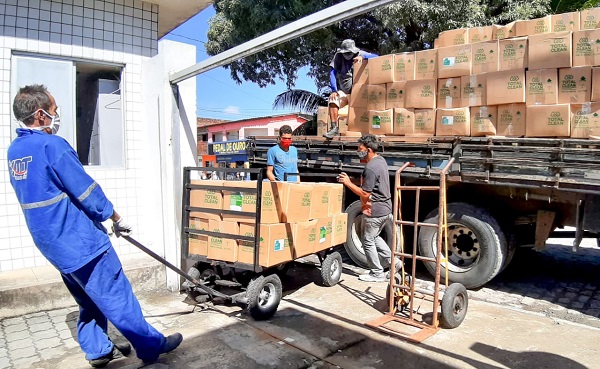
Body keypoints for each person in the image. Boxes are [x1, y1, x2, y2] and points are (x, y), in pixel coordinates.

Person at [7, 85, 182, 367]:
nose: (56, 114)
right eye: (53, 110)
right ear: (40, 115)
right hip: (80, 241)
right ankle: (151, 347)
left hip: (52, 243)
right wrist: (115, 217)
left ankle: (98, 350)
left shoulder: (16, 151)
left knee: (87, 298)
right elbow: (85, 190)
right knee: (117, 296)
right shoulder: (52, 145)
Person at [337, 134, 401, 282]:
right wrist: (351, 180)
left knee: (367, 240)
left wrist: (347, 183)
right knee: (374, 237)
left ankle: (377, 272)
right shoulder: (381, 161)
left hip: (375, 210)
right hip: (385, 208)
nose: (358, 151)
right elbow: (372, 184)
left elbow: (365, 194)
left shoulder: (371, 167)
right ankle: (395, 262)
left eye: (361, 149)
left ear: (369, 150)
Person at [324, 39, 378, 139]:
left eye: (350, 52)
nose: (348, 55)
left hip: (358, 92)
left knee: (366, 110)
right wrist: (334, 90)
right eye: (346, 53)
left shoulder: (360, 53)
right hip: (344, 91)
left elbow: (377, 57)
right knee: (333, 99)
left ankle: (369, 131)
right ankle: (334, 128)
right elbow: (332, 73)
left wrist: (363, 57)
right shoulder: (338, 56)